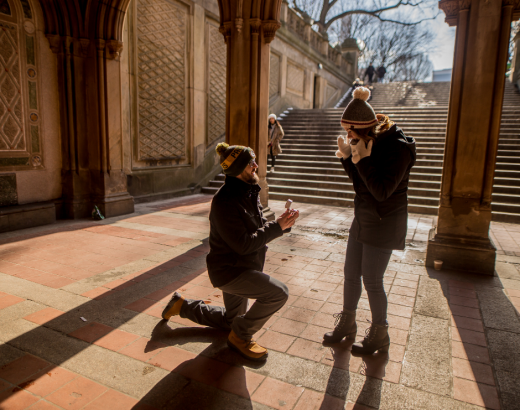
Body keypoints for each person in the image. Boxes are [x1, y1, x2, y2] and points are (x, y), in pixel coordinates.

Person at [161, 142, 299, 362]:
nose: (256, 165)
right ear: (237, 170)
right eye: (250, 163)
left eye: (254, 160)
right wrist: (277, 227)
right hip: (231, 272)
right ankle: (241, 336)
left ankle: (181, 306)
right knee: (278, 293)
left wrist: (283, 222)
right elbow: (243, 244)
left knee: (230, 320)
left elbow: (259, 228)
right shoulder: (224, 202)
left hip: (245, 267)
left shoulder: (249, 191)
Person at [323, 86, 416, 355]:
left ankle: (380, 333)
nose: (348, 135)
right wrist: (347, 159)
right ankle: (347, 324)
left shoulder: (397, 149)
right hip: (363, 217)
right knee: (351, 274)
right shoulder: (363, 142)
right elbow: (360, 185)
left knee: (373, 280)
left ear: (364, 127)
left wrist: (361, 160)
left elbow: (381, 191)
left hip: (385, 222)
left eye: (350, 131)